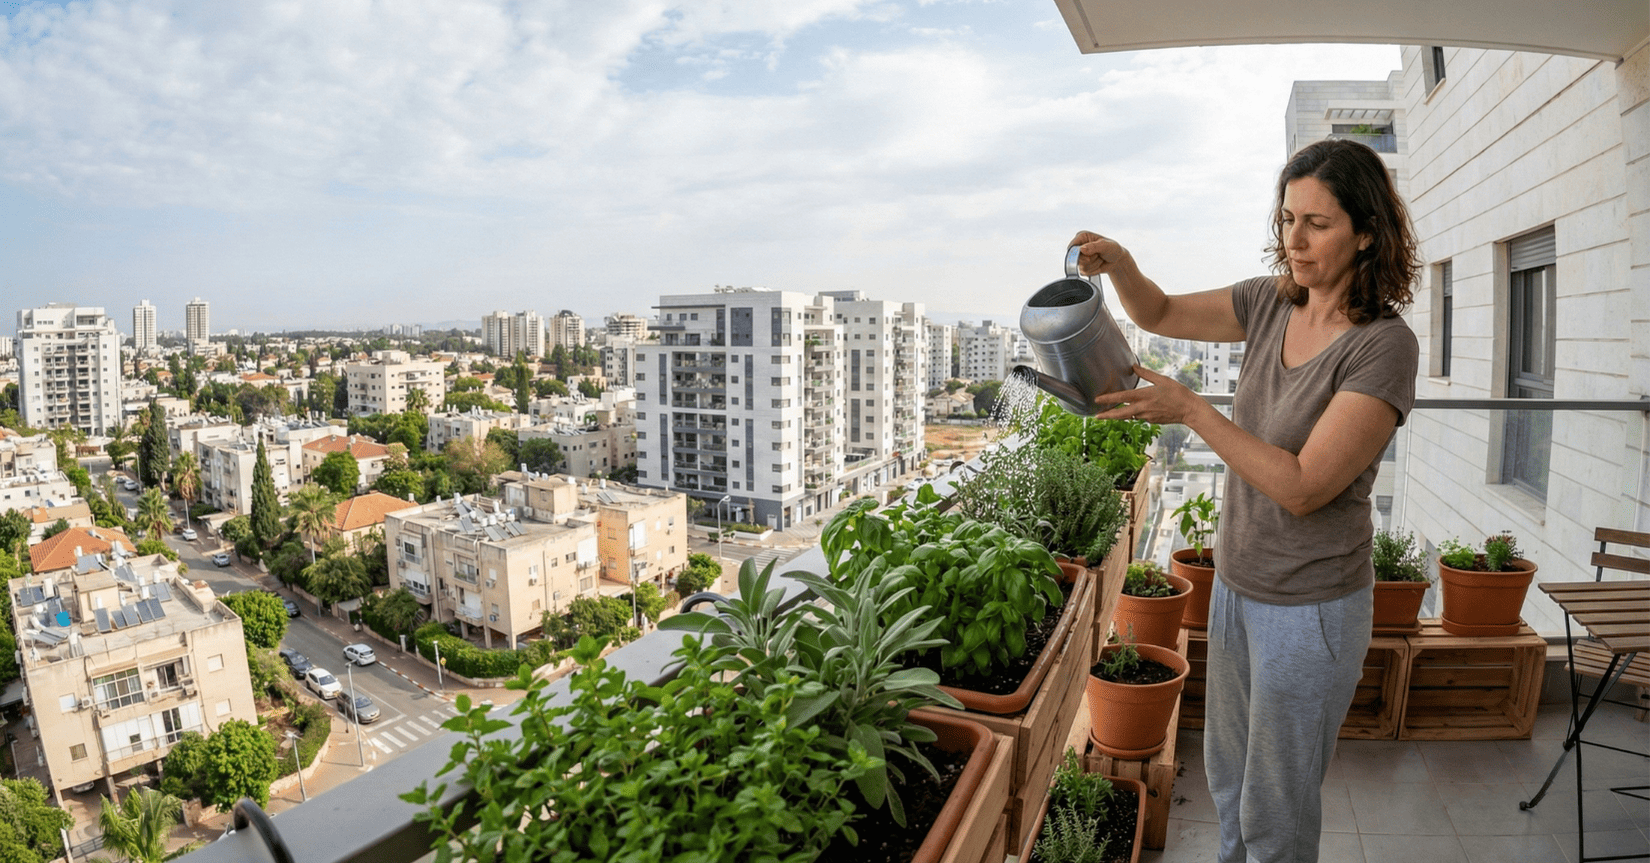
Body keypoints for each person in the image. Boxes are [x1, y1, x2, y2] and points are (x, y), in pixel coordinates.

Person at [1071, 138, 1419, 863]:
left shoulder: (1383, 346)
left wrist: (1194, 410)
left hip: (1314, 607)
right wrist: (1125, 267)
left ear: (1365, 232)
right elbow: (1160, 310)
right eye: (1288, 217)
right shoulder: (1269, 302)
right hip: (1236, 588)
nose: (1293, 238)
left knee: (1277, 808)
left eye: (1317, 223)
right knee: (1231, 784)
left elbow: (1303, 486)